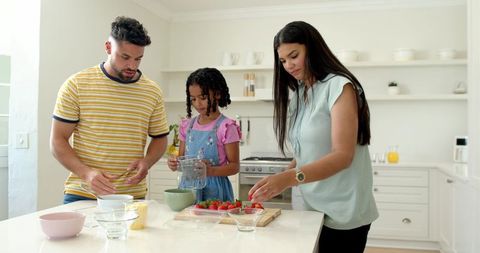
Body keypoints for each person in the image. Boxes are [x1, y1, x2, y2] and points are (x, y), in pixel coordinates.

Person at [248, 21, 378, 253]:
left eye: (294, 56)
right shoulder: (300, 92)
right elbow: (305, 151)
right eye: (283, 60)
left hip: (343, 208)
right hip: (311, 206)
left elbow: (343, 155)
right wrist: (281, 176)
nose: (288, 65)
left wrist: (289, 178)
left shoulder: (340, 86)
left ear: (313, 48)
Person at [50, 16, 169, 204]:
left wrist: (147, 162)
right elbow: (57, 141)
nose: (132, 65)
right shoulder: (76, 85)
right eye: (125, 57)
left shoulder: (152, 91)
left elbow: (160, 138)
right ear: (108, 47)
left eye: (138, 59)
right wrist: (87, 173)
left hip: (132, 197)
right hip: (84, 194)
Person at [167, 68, 241, 202]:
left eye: (203, 97)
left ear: (217, 94)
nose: (197, 104)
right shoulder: (187, 126)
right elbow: (182, 159)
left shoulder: (226, 127)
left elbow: (235, 166)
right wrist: (174, 163)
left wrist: (210, 171)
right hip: (188, 189)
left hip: (215, 192)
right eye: (193, 99)